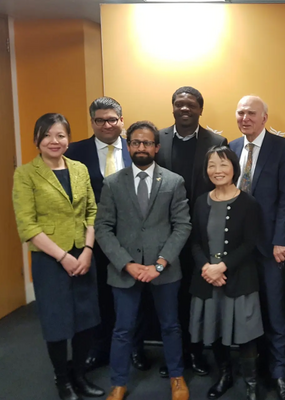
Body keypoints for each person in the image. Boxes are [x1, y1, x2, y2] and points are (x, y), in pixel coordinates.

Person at [95, 121, 191, 400]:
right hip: (125, 269)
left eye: (147, 143)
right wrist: (126, 263)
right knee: (123, 329)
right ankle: (118, 382)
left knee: (171, 326)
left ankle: (176, 377)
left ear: (156, 147)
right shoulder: (112, 183)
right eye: (136, 142)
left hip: (164, 270)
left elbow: (182, 226)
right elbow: (103, 227)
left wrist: (160, 263)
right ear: (128, 146)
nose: (141, 147)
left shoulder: (173, 181)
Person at [12, 113, 104, 400]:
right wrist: (64, 257)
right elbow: (28, 226)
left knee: (86, 321)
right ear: (37, 139)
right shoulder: (25, 174)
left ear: (68, 139)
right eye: (48, 135)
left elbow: (92, 211)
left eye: (61, 135)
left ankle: (79, 375)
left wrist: (87, 250)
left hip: (84, 255)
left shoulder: (79, 169)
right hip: (50, 260)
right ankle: (62, 380)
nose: (55, 141)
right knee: (57, 323)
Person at [65, 97, 151, 372]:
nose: (106, 124)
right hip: (93, 238)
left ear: (121, 121)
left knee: (135, 293)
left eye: (112, 119)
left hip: (133, 237)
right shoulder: (76, 152)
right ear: (92, 122)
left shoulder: (136, 147)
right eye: (100, 120)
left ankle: (136, 348)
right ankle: (99, 347)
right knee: (99, 294)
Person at [229, 95, 285, 400]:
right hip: (237, 248)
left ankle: (280, 375)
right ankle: (250, 376)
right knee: (244, 313)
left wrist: (282, 239)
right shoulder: (230, 148)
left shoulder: (283, 148)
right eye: (241, 113)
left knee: (275, 311)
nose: (245, 118)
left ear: (264, 118)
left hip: (271, 246)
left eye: (251, 113)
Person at [156, 86, 228, 378]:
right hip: (166, 234)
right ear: (172, 108)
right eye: (179, 105)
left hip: (201, 234)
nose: (184, 109)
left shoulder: (216, 141)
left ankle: (197, 354)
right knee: (169, 300)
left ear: (200, 109)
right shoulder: (157, 139)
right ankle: (174, 355)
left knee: (196, 297)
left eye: (190, 105)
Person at [190, 146, 264, 400]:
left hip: (239, 278)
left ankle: (252, 384)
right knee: (215, 331)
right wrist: (207, 268)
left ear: (234, 167)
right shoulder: (201, 201)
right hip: (207, 280)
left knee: (245, 335)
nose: (217, 170)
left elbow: (250, 242)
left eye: (223, 164)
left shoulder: (248, 202)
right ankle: (225, 376)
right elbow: (195, 242)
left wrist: (222, 266)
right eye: (211, 165)